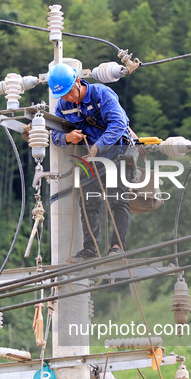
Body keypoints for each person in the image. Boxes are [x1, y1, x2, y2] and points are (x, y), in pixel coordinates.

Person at [48, 62, 134, 261]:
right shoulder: (64, 106)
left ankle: (117, 248)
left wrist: (98, 147)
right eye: (63, 95)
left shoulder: (101, 94)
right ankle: (90, 250)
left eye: (70, 92)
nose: (68, 98)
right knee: (88, 203)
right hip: (91, 160)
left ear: (78, 82)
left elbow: (119, 124)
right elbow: (55, 135)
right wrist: (67, 138)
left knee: (118, 200)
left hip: (117, 152)